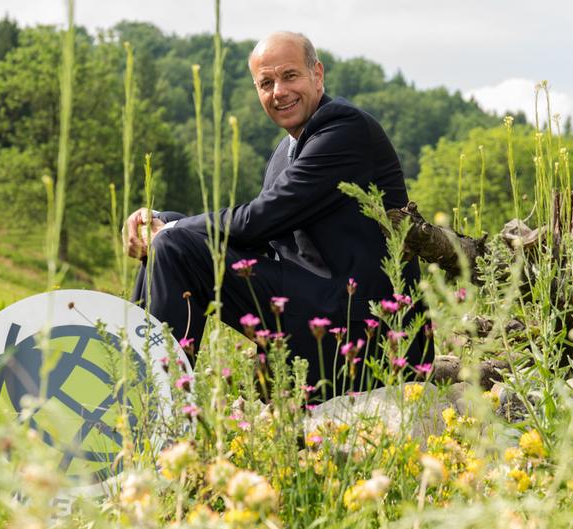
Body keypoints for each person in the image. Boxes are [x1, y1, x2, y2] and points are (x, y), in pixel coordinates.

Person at [124, 31, 429, 389]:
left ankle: (157, 399)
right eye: (266, 83)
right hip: (318, 307)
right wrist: (160, 221)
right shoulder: (286, 151)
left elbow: (258, 220)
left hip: (371, 331)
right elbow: (263, 243)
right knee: (170, 242)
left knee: (174, 243)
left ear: (318, 74)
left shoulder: (345, 130)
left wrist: (173, 233)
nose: (278, 92)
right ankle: (137, 373)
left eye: (290, 76)